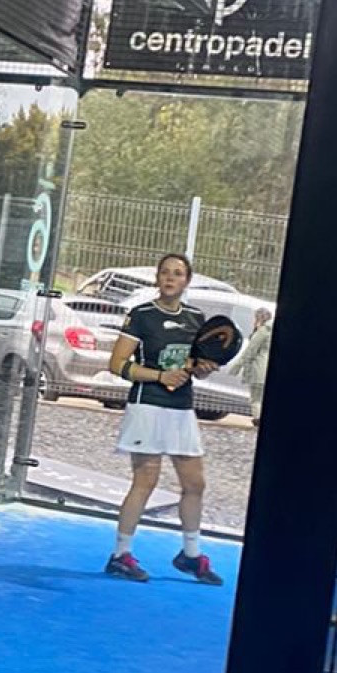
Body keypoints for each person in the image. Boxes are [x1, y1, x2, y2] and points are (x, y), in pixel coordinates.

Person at [103, 250, 224, 585]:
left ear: (187, 281)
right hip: (147, 406)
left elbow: (196, 368)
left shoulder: (197, 319)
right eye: (165, 272)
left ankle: (191, 555)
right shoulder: (141, 316)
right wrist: (160, 376)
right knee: (146, 481)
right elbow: (117, 364)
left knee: (195, 484)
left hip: (182, 410)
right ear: (157, 278)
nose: (170, 278)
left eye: (178, 273)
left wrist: (203, 368)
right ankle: (120, 556)